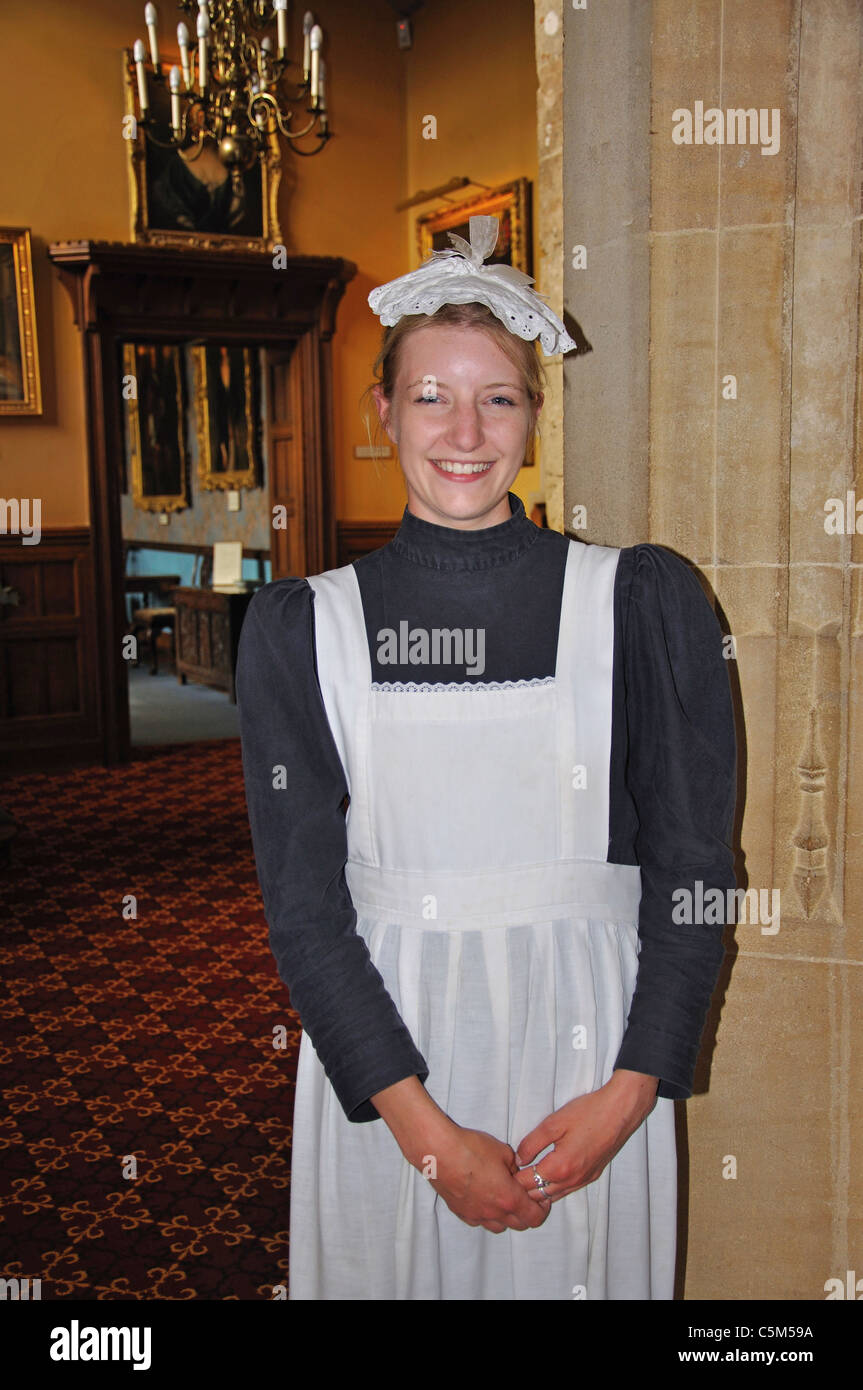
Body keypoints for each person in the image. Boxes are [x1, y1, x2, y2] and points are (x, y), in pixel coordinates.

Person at [236, 216, 737, 1300]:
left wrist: (627, 1095)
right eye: (429, 396)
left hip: (590, 1072)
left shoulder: (640, 601)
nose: (463, 429)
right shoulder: (300, 628)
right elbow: (302, 911)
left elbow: (694, 874)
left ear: (534, 416)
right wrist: (423, 1131)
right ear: (383, 412)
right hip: (388, 1065)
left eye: (496, 397)